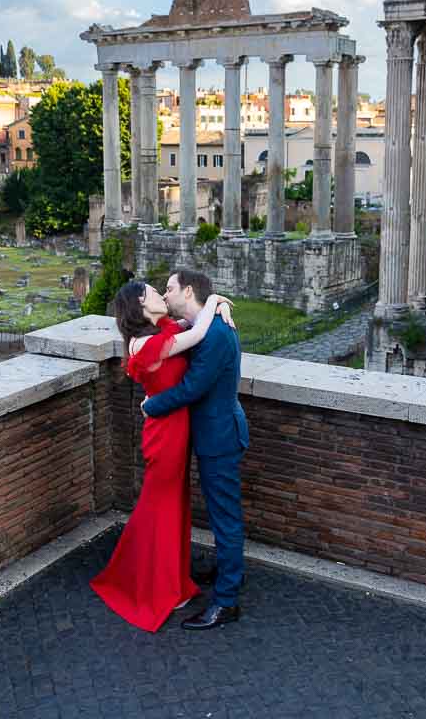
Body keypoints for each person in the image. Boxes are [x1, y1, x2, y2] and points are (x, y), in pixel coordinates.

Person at [91, 280, 234, 632]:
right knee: (162, 509)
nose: (161, 295)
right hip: (165, 435)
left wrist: (220, 306)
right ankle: (157, 586)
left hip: (177, 431)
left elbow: (194, 323)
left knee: (171, 507)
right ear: (141, 303)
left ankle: (169, 580)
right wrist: (215, 297)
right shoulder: (147, 343)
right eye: (155, 292)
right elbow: (197, 334)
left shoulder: (162, 331)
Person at [143, 270, 249, 631]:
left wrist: (150, 407)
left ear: (187, 291)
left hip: (219, 438)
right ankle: (226, 571)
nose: (165, 295)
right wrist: (217, 301)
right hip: (215, 433)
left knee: (225, 519)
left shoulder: (215, 335)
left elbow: (191, 388)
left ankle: (226, 601)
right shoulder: (209, 325)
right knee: (222, 515)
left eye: (169, 289)